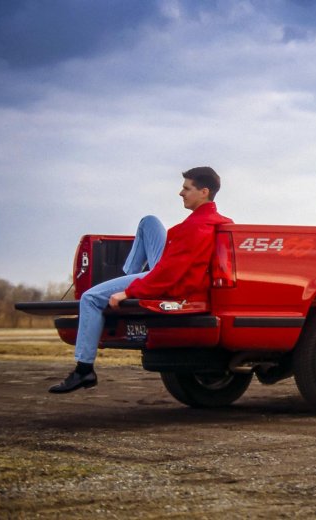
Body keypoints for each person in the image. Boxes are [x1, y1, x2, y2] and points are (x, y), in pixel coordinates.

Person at [49, 166, 233, 393]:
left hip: (167, 280)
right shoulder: (214, 221)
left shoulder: (196, 227)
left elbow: (171, 273)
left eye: (186, 188)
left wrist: (129, 292)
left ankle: (84, 369)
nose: (181, 193)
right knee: (149, 222)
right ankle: (125, 278)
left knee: (90, 298)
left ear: (204, 192)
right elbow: (173, 264)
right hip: (166, 269)